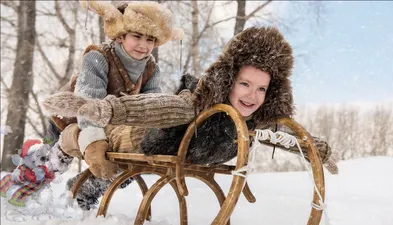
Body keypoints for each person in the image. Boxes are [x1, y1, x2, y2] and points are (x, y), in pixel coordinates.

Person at [43, 26, 337, 210]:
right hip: (138, 132)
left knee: (120, 175)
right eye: (245, 84)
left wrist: (318, 151)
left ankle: (83, 190)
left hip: (166, 149)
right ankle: (63, 165)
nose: (252, 96)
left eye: (261, 89)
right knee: (113, 161)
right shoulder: (201, 103)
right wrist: (105, 109)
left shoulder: (255, 118)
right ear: (229, 81)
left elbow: (287, 135)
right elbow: (161, 107)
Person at [48, 0, 184, 180]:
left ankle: (84, 191)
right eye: (137, 36)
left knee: (123, 163)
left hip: (110, 122)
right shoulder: (98, 57)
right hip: (73, 116)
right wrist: (92, 140)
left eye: (150, 39)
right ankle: (35, 173)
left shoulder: (150, 69)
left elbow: (151, 107)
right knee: (51, 162)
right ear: (121, 35)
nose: (143, 45)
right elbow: (87, 105)